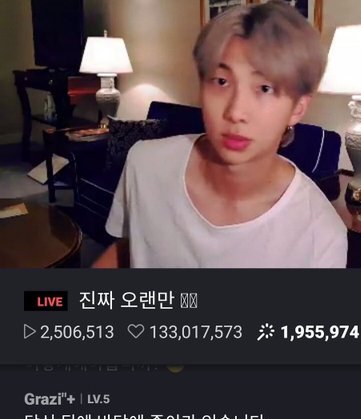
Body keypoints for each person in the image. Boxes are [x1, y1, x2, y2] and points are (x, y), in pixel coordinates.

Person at [93, 0, 347, 268]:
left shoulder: (320, 234)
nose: (235, 112)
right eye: (222, 82)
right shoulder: (145, 164)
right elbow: (131, 249)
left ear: (298, 108)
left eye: (265, 88)